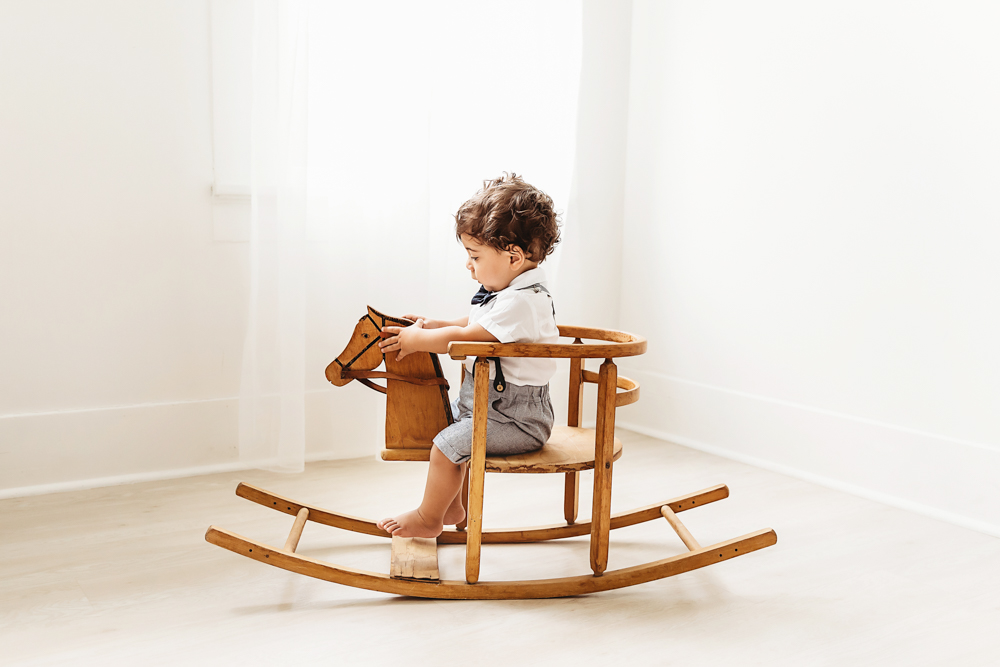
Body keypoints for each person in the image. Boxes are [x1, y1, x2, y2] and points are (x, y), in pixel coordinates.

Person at [376, 173, 561, 538]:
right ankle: (453, 506)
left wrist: (417, 341)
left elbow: (466, 337)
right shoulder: (510, 296)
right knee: (455, 437)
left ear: (513, 257)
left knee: (445, 447)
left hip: (516, 418)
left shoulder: (523, 301)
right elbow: (474, 322)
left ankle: (429, 517)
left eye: (474, 256)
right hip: (490, 407)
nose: (468, 265)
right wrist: (433, 325)